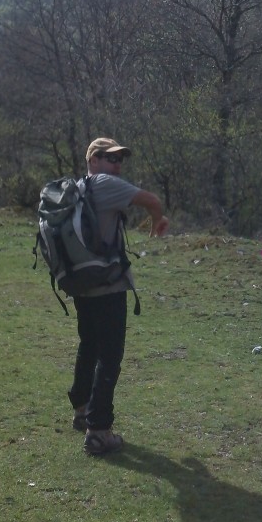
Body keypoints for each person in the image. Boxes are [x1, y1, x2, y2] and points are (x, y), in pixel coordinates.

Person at [68, 137, 169, 456]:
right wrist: (158, 220)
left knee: (89, 344)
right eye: (109, 158)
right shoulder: (104, 184)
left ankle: (82, 409)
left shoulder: (75, 188)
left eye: (119, 159)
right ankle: (99, 430)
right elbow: (152, 200)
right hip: (107, 285)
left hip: (81, 281)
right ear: (93, 161)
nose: (116, 165)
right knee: (110, 355)